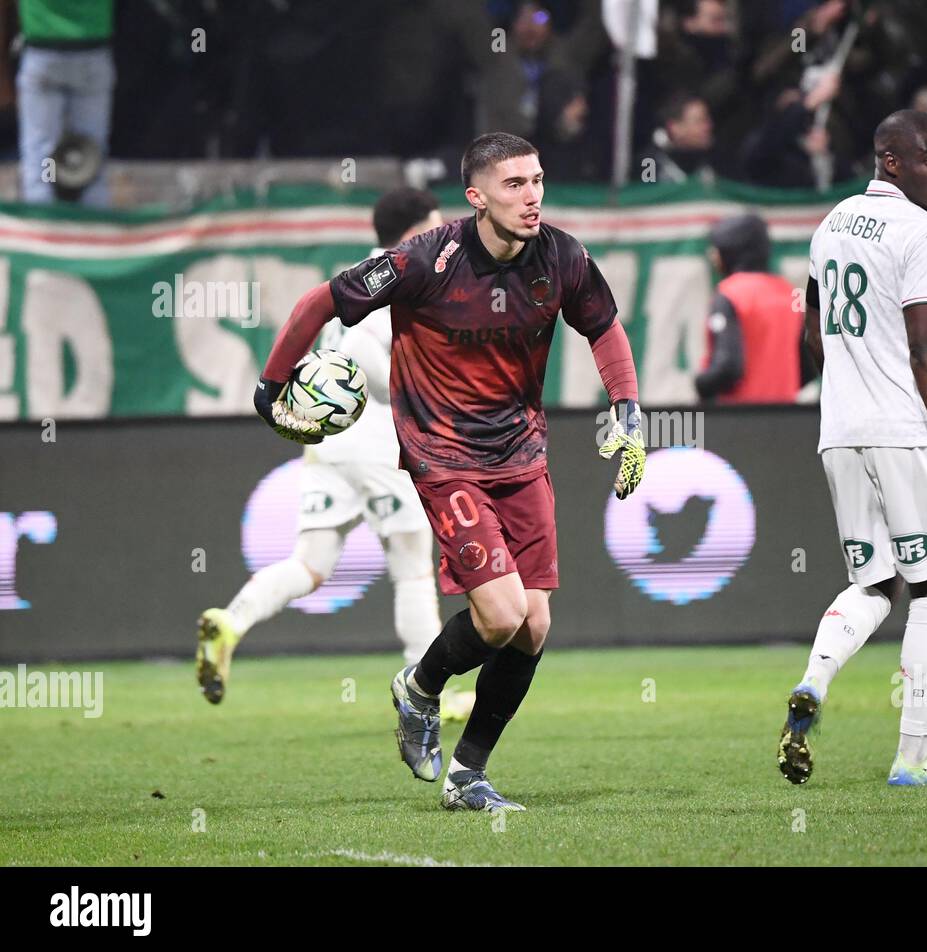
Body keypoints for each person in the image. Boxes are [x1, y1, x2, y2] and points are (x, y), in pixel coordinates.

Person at [252, 133, 645, 813]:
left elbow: (604, 327)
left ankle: (468, 775)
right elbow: (320, 302)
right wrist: (271, 385)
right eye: (514, 185)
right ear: (476, 197)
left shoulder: (563, 256)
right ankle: (419, 687)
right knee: (499, 615)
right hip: (444, 458)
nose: (532, 197)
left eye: (537, 181)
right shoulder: (422, 260)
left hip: (522, 457)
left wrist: (628, 408)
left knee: (534, 626)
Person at [778, 110, 927, 787]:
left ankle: (814, 680)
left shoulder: (831, 223)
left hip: (839, 430)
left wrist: (849, 379)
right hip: (905, 429)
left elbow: (811, 335)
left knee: (876, 580)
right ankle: (913, 759)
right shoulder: (925, 232)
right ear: (890, 160)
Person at [194, 189, 446, 705]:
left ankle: (231, 620)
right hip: (375, 443)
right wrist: (399, 391)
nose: (444, 236)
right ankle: (427, 691)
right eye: (437, 226)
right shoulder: (401, 275)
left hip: (327, 441)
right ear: (416, 230)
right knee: (413, 563)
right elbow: (358, 352)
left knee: (310, 563)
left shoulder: (355, 275)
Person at [694, 213, 803, 403]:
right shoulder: (789, 293)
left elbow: (728, 367)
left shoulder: (730, 294)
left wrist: (701, 383)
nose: (712, 255)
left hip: (740, 420)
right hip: (787, 420)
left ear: (731, 251)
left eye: (717, 248)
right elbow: (806, 365)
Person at [16, 0, 115, 207]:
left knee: (41, 155)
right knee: (91, 152)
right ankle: (95, 226)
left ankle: (40, 224)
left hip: (42, 53)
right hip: (92, 50)